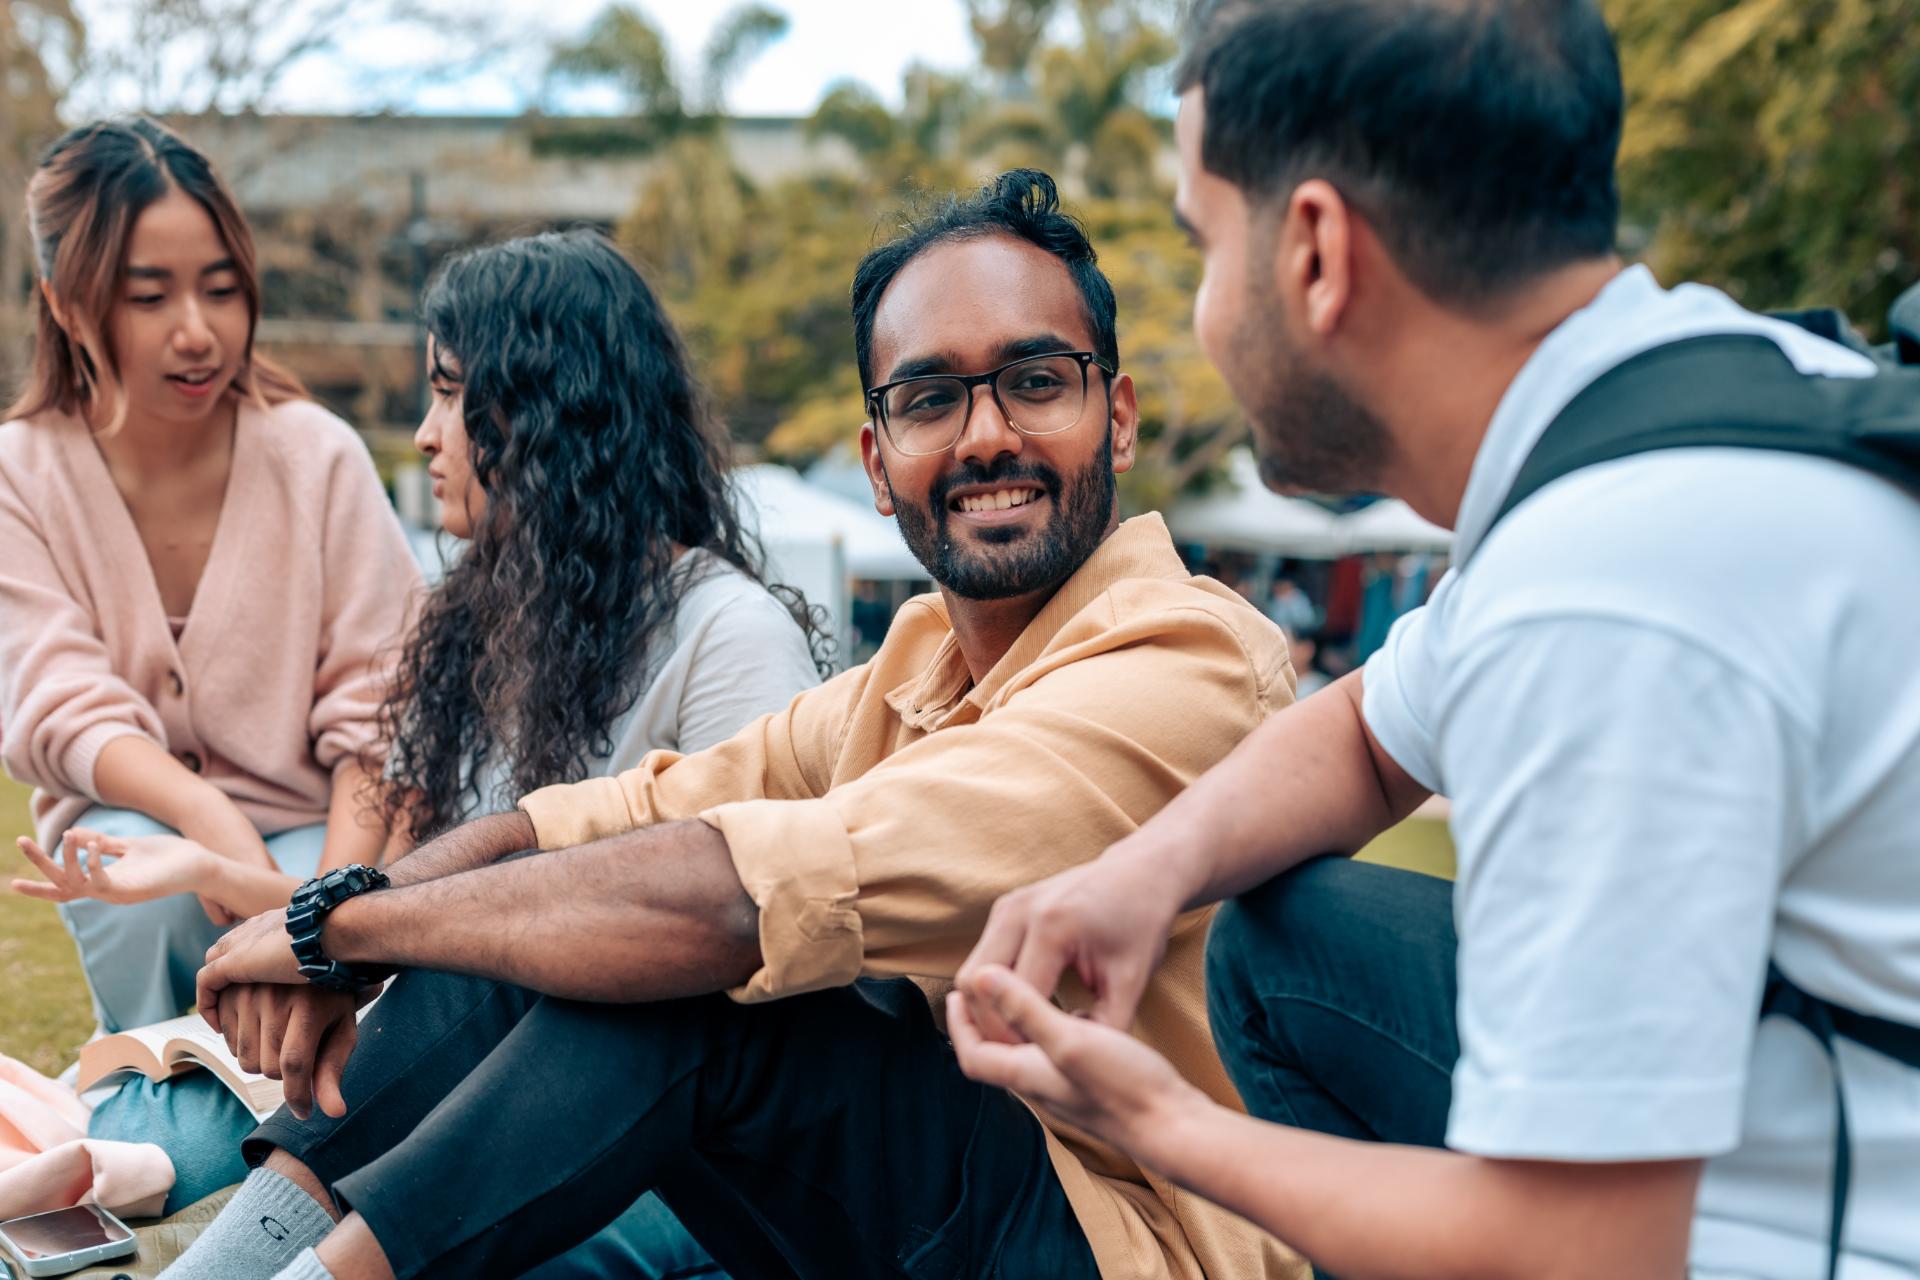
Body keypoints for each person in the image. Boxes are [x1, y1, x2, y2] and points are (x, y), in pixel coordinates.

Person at [164, 170, 1303, 1280]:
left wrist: (340, 936)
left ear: (1119, 418)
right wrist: (346, 921)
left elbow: (735, 898)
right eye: (930, 398)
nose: (986, 435)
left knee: (683, 972)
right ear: (878, 460)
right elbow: (569, 825)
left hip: (1124, 1236)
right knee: (525, 920)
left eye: (1037, 382)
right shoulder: (903, 673)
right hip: (873, 1187)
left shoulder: (1189, 657)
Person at [948, 3, 1920, 1279]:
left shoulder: (1604, 592)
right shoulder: (1700, 393)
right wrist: (1138, 870)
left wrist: (1159, 1119)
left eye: (1204, 243)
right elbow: (1364, 732)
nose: (1201, 308)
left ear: (1313, 252)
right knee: (1276, 944)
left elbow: (1579, 1252)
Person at [20, 229, 825, 1276]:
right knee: (219, 1091)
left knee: (379, 1133)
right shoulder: (473, 634)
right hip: (436, 1066)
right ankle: (124, 1188)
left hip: (641, 1130)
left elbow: (736, 964)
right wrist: (274, 927)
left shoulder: (729, 636)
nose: (425, 434)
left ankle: (138, 1182)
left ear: (551, 412)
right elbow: (393, 906)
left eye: (451, 395)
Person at [0, 117, 419, 1035]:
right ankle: (152, 1105)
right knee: (141, 882)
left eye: (221, 290)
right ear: (67, 305)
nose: (197, 333)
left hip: (323, 825)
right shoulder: (18, 473)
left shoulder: (319, 457)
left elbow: (381, 707)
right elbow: (59, 696)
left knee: (328, 912)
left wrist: (324, 910)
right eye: (149, 298)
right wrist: (206, 817)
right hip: (136, 822)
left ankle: (311, 1149)